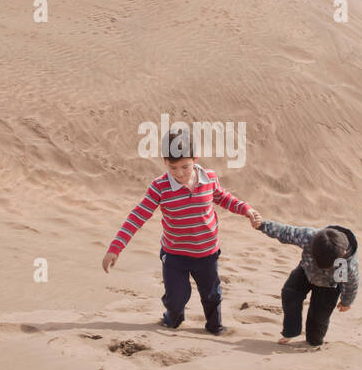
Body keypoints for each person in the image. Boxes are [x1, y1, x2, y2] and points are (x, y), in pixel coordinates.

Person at [102, 139, 260, 335]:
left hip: (207, 253)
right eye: (173, 167)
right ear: (164, 162)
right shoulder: (159, 187)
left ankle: (214, 326)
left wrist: (247, 210)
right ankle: (173, 318)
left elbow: (223, 197)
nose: (180, 173)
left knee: (211, 294)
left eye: (185, 166)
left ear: (194, 159)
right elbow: (137, 216)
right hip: (175, 254)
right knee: (176, 298)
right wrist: (115, 248)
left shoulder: (209, 177)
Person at [251, 215, 359, 346]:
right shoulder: (310, 237)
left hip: (329, 285)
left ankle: (314, 341)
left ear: (341, 255)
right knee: (289, 293)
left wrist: (346, 301)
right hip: (306, 272)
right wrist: (263, 225)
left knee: (319, 316)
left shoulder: (345, 264)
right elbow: (286, 232)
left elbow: (351, 284)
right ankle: (291, 331)